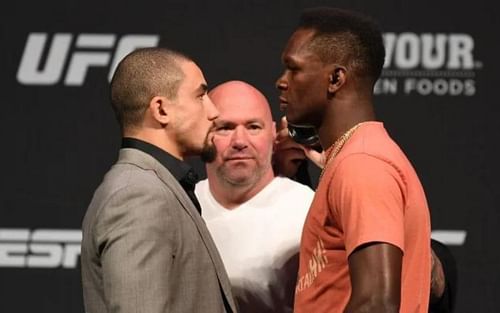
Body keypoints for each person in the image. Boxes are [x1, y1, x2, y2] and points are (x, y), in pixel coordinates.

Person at [276, 7, 432, 313]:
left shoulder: (361, 165)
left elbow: (377, 303)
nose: (281, 81)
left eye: (293, 69)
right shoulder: (351, 159)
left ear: (335, 78)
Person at [80, 47, 238, 313]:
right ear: (161, 110)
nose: (214, 112)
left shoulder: (154, 186)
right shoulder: (138, 195)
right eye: (201, 95)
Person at [195, 80, 315, 313]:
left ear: (273, 134)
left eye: (253, 127)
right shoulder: (181, 204)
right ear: (202, 133)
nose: (239, 141)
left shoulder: (307, 209)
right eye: (225, 128)